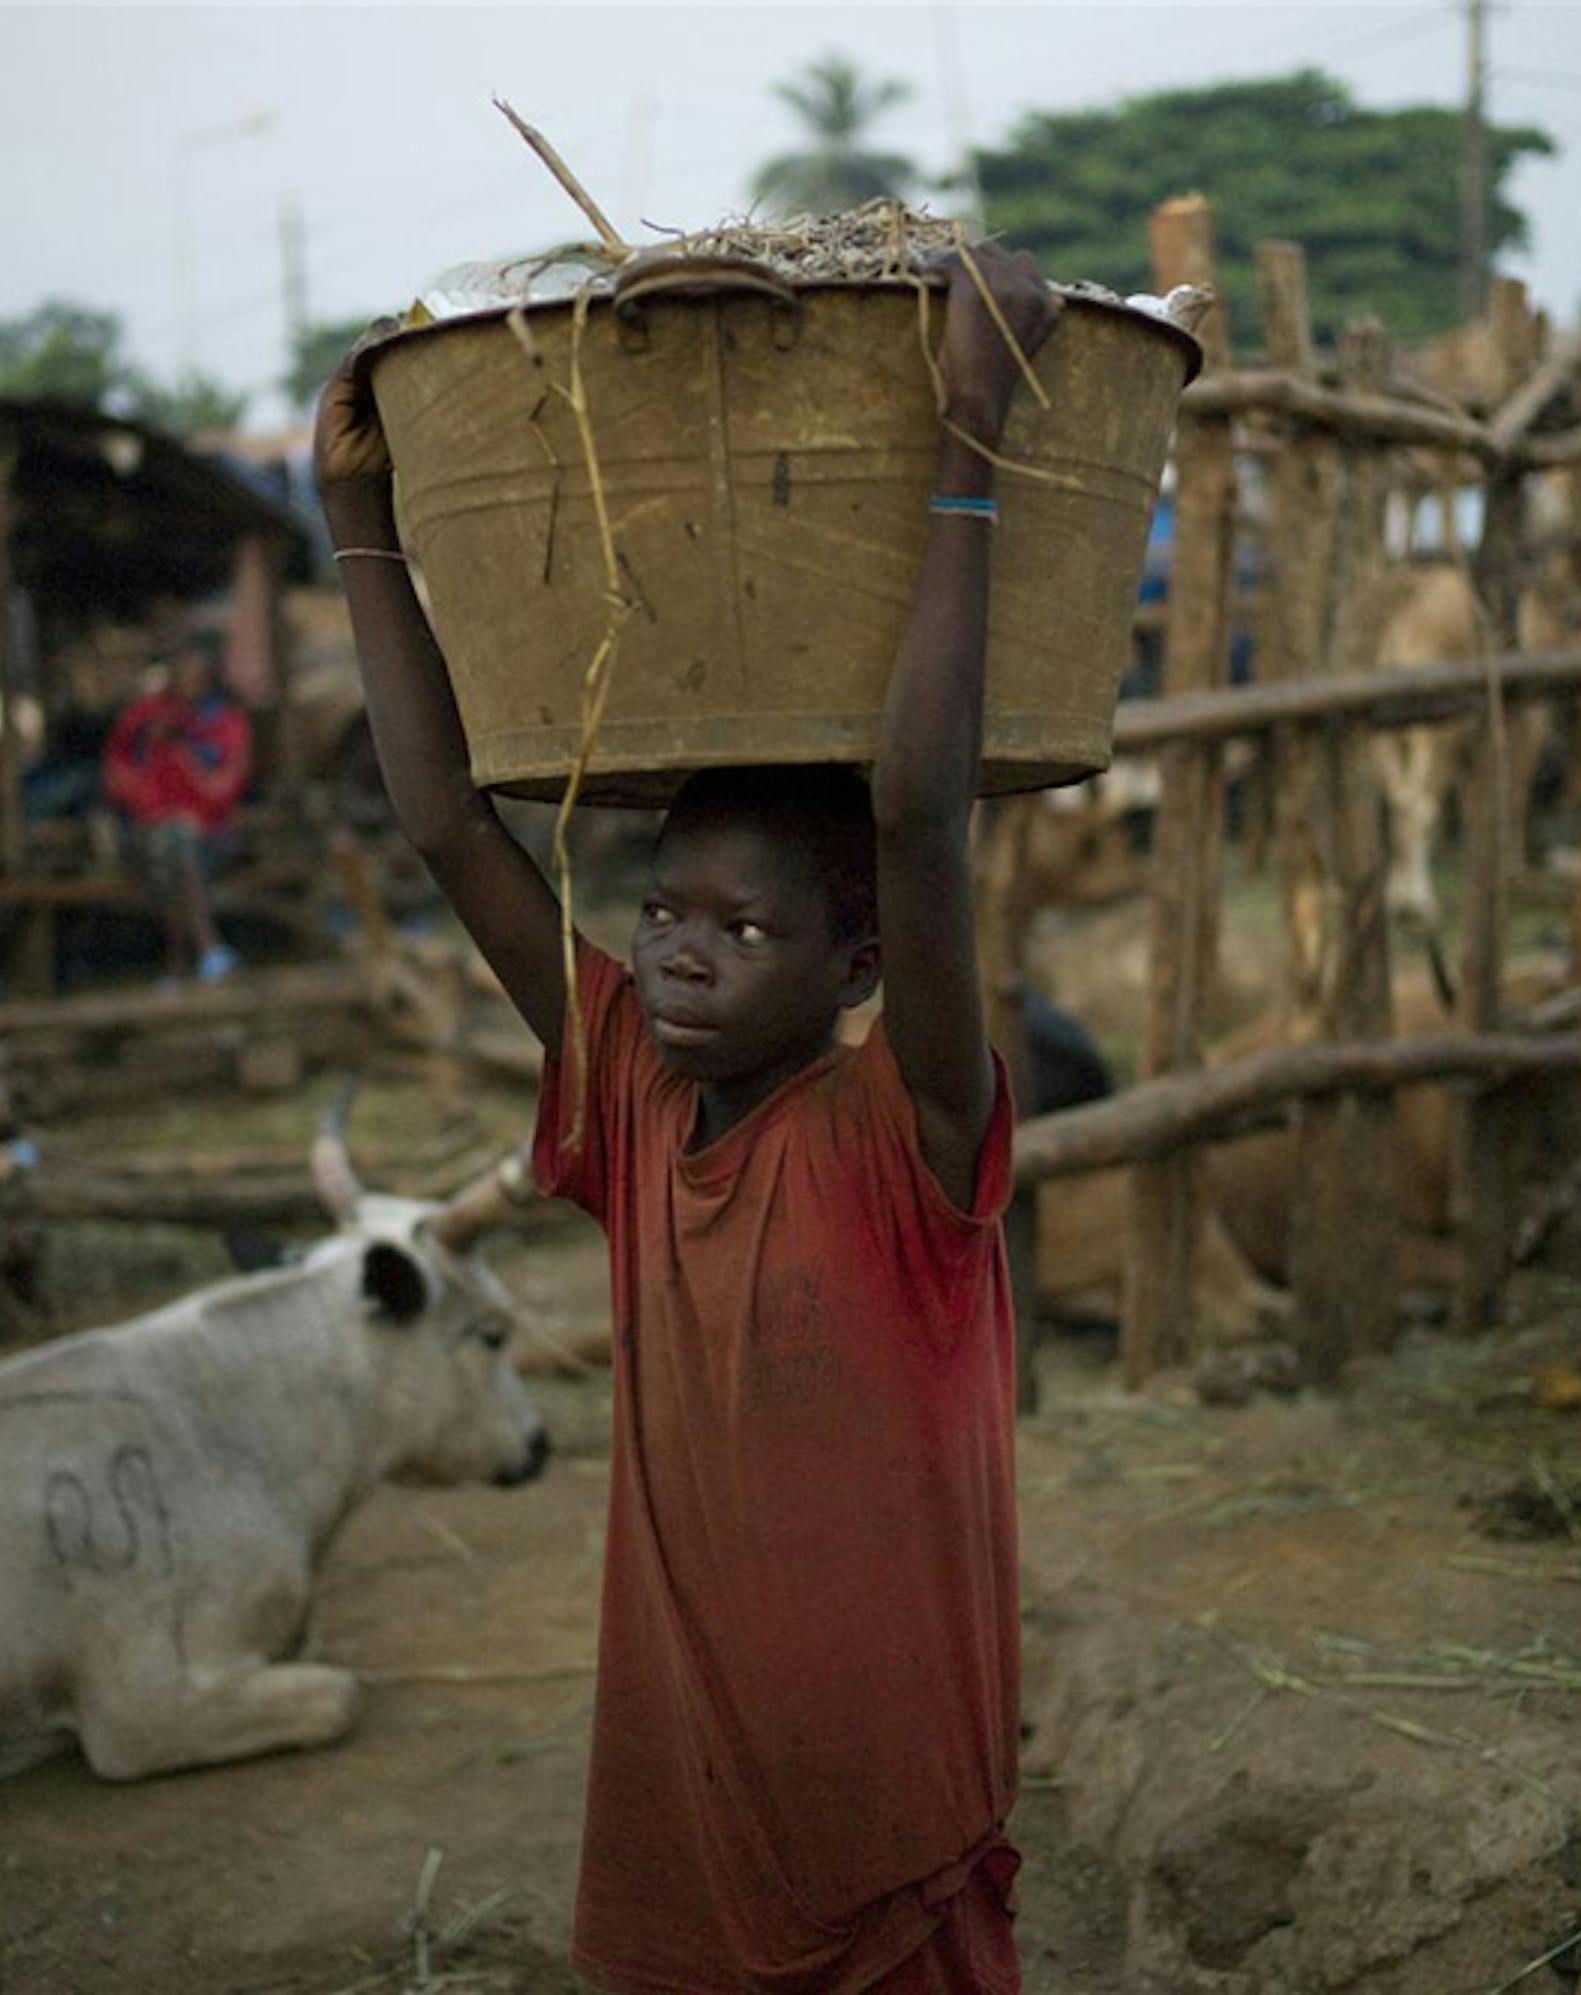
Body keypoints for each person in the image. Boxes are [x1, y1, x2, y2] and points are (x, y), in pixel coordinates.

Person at [318, 245, 1061, 1994]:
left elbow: (921, 815)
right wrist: (358, 523)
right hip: (694, 1776)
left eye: (745, 930)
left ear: (858, 957)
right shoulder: (633, 1099)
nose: (679, 954)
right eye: (662, 911)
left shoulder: (911, 1134)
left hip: (886, 1796)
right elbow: (449, 830)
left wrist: (966, 442)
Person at [103, 631, 250, 981]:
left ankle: (179, 962)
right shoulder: (145, 719)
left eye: (195, 676)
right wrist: (151, 804)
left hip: (211, 839)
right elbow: (118, 776)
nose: (187, 685)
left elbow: (223, 790)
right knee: (173, 843)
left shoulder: (227, 725)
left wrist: (185, 756)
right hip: (150, 835)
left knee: (177, 845)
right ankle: (208, 949)